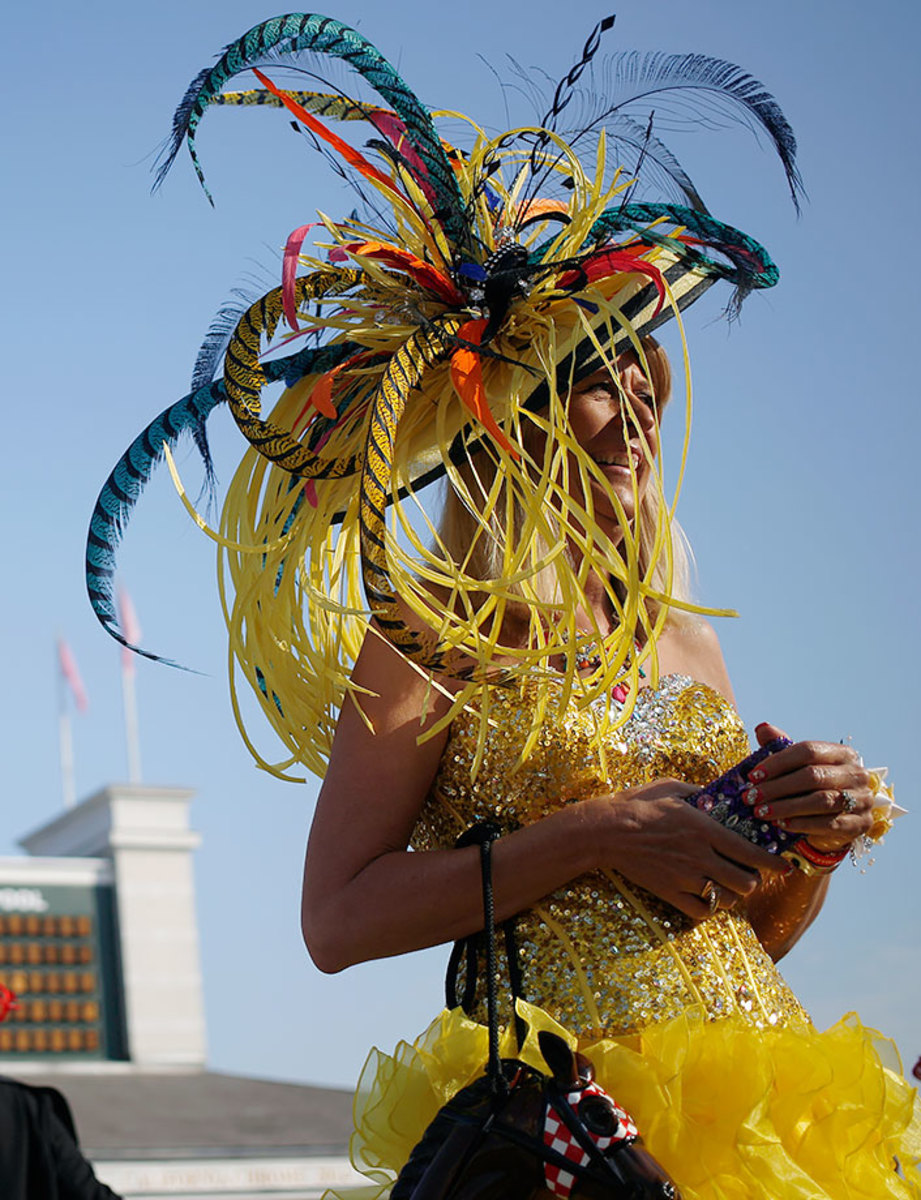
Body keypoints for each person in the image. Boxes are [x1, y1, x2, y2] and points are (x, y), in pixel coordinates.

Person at [87, 12, 918, 1199]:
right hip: (554, 1134)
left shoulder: (681, 625)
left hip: (752, 1104)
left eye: (643, 361)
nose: (634, 400)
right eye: (590, 375)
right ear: (512, 421)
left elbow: (742, 925)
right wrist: (592, 834)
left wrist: (808, 844)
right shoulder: (435, 632)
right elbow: (334, 920)